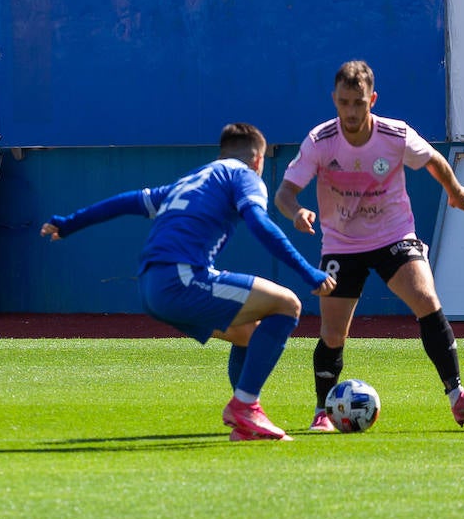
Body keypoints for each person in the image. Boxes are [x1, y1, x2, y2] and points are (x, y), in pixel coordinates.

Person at [41, 122, 337, 442]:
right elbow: (260, 225)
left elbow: (125, 201)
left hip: (152, 286)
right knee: (288, 304)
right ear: (258, 160)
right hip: (181, 279)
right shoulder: (243, 175)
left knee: (248, 335)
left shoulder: (191, 181)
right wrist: (309, 271)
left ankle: (246, 424)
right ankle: (245, 406)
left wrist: (70, 224)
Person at [274, 60, 464, 430]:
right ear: (334, 100)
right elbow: (284, 193)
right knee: (332, 334)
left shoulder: (394, 135)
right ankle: (322, 412)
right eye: (344, 103)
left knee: (426, 300)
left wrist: (454, 191)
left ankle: (458, 397)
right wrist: (296, 213)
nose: (351, 112)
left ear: (372, 99)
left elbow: (434, 160)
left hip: (393, 234)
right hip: (342, 245)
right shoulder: (320, 141)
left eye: (358, 103)